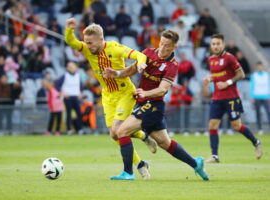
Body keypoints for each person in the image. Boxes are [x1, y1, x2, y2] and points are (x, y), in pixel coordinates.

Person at [104, 30, 209, 181]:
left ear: (174, 47)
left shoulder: (172, 66)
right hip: (144, 103)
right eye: (161, 43)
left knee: (122, 131)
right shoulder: (148, 53)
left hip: (153, 105)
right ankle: (196, 164)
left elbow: (162, 89)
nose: (162, 48)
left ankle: (128, 173)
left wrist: (146, 93)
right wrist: (117, 74)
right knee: (164, 143)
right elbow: (132, 69)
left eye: (167, 46)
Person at [64, 18, 157, 179]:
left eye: (91, 42)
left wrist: (141, 64)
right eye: (86, 42)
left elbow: (139, 55)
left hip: (124, 93)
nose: (88, 46)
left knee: (119, 131)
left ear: (101, 39)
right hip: (107, 95)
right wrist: (69, 29)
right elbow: (71, 41)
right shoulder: (87, 49)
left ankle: (131, 171)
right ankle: (142, 141)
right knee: (114, 135)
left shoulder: (114, 47)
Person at [203, 34, 262, 163]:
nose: (216, 46)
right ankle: (215, 155)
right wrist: (209, 79)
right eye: (213, 44)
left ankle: (256, 142)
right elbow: (216, 75)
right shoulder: (211, 59)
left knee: (236, 126)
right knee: (212, 125)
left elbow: (241, 74)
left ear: (222, 44)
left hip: (231, 98)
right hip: (217, 98)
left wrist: (227, 83)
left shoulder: (229, 57)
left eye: (218, 44)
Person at [56, 62, 83, 135]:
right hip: (68, 97)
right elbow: (57, 86)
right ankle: (69, 129)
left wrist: (80, 92)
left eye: (72, 66)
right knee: (69, 114)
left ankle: (79, 129)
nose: (71, 68)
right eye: (69, 67)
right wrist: (63, 93)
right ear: (67, 68)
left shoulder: (78, 75)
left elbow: (80, 86)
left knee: (79, 114)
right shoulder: (65, 76)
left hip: (76, 97)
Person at [250, 61, 270, 135]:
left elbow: (268, 85)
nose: (259, 67)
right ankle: (260, 129)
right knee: (258, 113)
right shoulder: (254, 75)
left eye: (260, 66)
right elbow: (251, 87)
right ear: (256, 67)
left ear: (262, 66)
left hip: (265, 96)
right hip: (257, 96)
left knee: (268, 112)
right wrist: (252, 96)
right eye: (258, 66)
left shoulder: (266, 75)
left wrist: (269, 96)